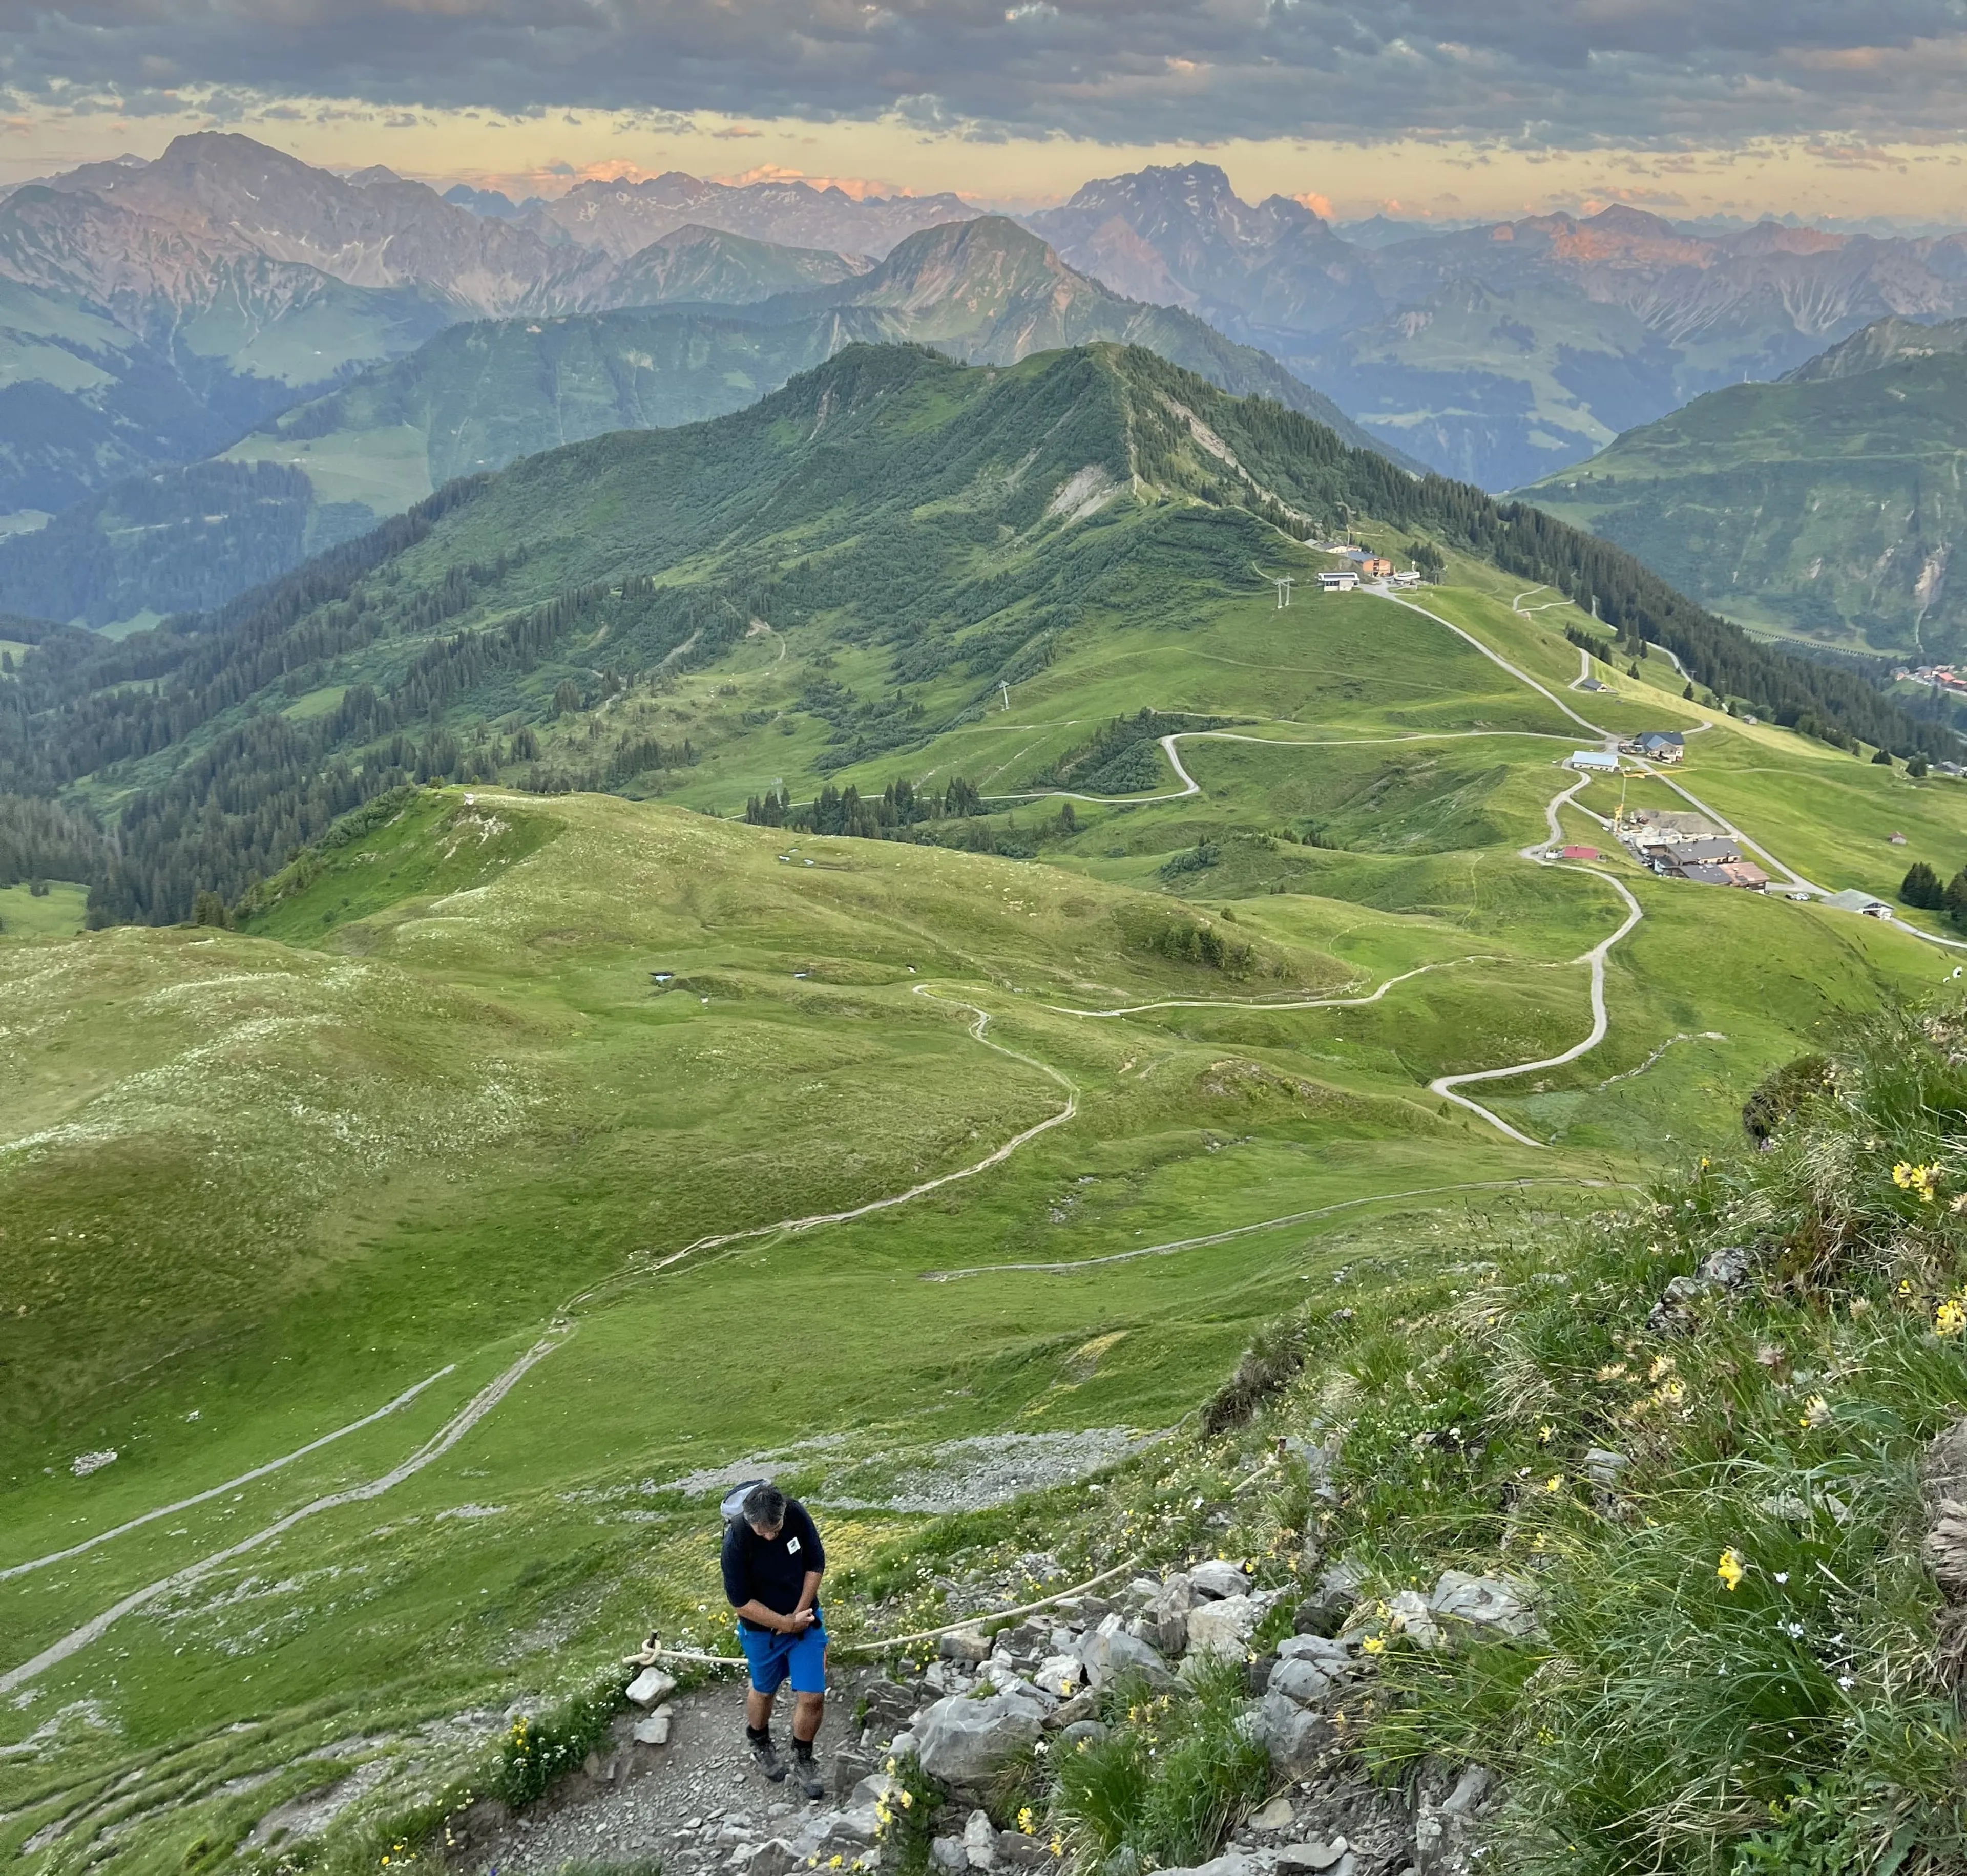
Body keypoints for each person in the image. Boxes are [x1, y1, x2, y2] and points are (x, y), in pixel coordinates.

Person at [721, 1482, 827, 1796]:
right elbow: (741, 1602)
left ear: (783, 1513)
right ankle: (759, 1738)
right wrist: (783, 1623)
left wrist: (798, 1616)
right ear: (749, 1520)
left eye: (775, 1528)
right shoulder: (736, 1540)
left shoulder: (795, 1513)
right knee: (764, 1690)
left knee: (813, 1695)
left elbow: (815, 1563)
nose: (770, 1536)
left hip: (804, 1620)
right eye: (761, 1531)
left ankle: (803, 1755)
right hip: (761, 1632)